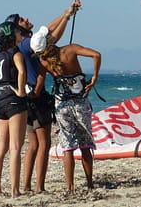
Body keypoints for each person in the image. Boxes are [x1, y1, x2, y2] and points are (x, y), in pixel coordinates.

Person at [5, 1, 81, 194]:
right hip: (37, 98)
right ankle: (39, 187)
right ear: (17, 28)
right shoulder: (25, 44)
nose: (27, 19)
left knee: (33, 145)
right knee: (44, 143)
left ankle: (27, 185)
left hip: (27, 99)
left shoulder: (20, 46)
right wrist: (66, 16)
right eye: (22, 19)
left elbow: (48, 33)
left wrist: (66, 14)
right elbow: (50, 37)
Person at [30, 25, 102, 192]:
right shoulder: (70, 49)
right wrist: (95, 77)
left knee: (67, 146)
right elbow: (96, 55)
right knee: (85, 144)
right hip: (80, 104)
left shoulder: (44, 63)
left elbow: (37, 89)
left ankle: (70, 187)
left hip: (61, 105)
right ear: (50, 40)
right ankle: (89, 183)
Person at [0, 21, 28, 198]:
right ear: (10, 35)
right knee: (15, 147)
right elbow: (21, 72)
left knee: (0, 148)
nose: (20, 33)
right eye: (17, 31)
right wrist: (21, 91)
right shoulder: (16, 53)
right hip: (14, 101)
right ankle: (15, 190)